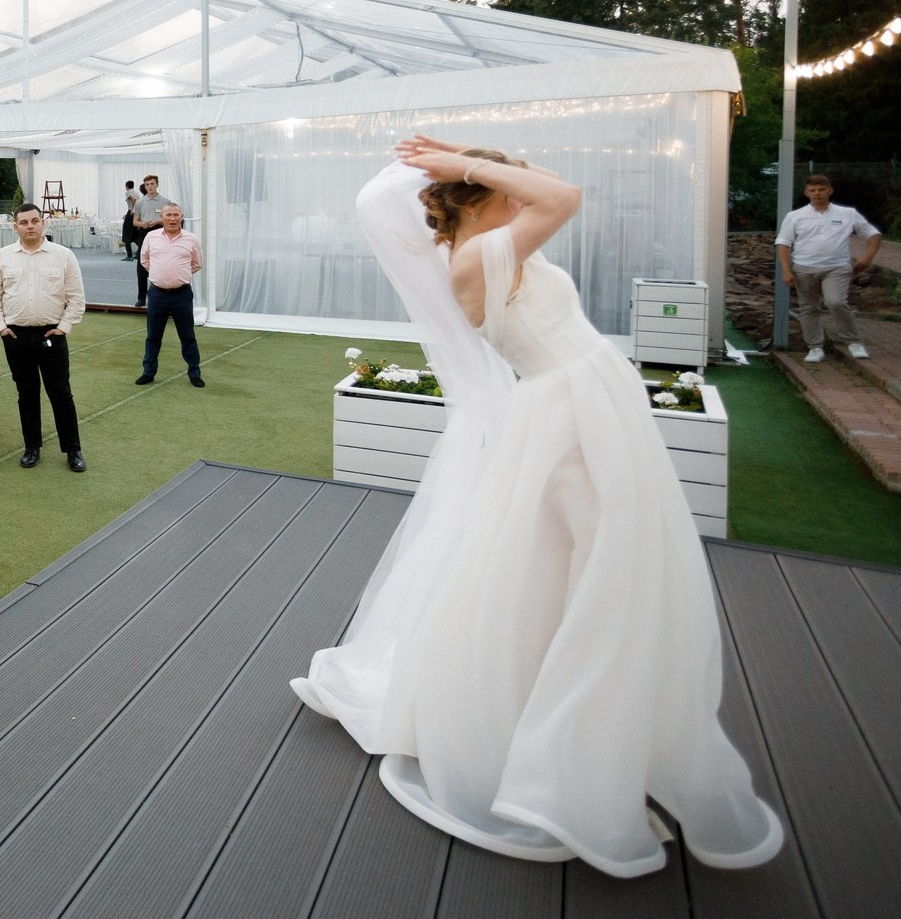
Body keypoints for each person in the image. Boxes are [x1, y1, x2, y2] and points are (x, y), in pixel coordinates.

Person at [292, 139, 784, 878]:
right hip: (568, 420)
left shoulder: (497, 234)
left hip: (587, 404)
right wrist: (470, 163)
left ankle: (592, 726)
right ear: (479, 196)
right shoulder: (477, 257)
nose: (517, 190)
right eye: (498, 184)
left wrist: (466, 157)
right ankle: (563, 739)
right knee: (597, 567)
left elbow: (548, 186)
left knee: (589, 568)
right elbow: (564, 195)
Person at [0, 203, 87, 472]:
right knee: (26, 394)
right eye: (24, 222)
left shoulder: (63, 256)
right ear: (15, 226)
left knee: (61, 393)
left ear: (44, 223)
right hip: (16, 337)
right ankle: (32, 447)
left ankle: (73, 450)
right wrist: (1, 327)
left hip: (51, 335)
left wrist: (63, 327)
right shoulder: (3, 257)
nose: (30, 226)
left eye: (34, 221)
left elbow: (76, 298)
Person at [777, 173, 882, 363]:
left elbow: (873, 234)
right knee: (808, 308)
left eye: (821, 189)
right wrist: (786, 269)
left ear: (830, 190)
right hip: (804, 268)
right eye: (813, 190)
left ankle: (853, 341)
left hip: (837, 267)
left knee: (835, 302)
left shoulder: (847, 214)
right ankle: (815, 347)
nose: (817, 193)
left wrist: (867, 257)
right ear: (806, 193)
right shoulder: (795, 217)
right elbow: (783, 243)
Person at [136, 201, 206, 389]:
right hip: (157, 294)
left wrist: (177, 276)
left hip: (182, 295)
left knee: (187, 336)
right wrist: (162, 276)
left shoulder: (191, 239)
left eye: (176, 215)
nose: (173, 219)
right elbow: (145, 260)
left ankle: (194, 373)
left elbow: (197, 264)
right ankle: (148, 372)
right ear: (162, 218)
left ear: (181, 217)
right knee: (153, 336)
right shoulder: (151, 237)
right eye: (169, 215)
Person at [131, 174, 168, 306]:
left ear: (157, 184)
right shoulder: (140, 202)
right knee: (141, 265)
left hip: (160, 233)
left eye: (152, 184)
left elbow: (169, 220)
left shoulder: (165, 202)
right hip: (144, 234)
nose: (150, 187)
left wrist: (159, 221)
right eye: (147, 185)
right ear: (144, 187)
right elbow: (135, 222)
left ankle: (159, 297)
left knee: (160, 264)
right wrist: (143, 225)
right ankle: (141, 298)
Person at [120, 180, 140, 261]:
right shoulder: (136, 192)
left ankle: (129, 255)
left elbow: (133, 200)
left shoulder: (128, 192)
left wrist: (132, 210)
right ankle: (140, 252)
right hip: (135, 213)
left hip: (132, 213)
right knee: (135, 234)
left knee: (126, 233)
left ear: (126, 186)